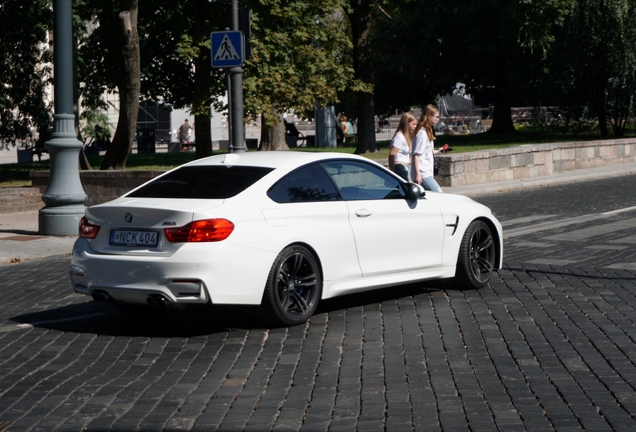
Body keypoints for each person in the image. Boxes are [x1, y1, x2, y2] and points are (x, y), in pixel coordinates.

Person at [411, 104, 448, 192]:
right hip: (423, 173)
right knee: (438, 193)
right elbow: (416, 155)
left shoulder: (428, 131)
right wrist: (417, 174)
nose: (438, 119)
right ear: (429, 117)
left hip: (427, 172)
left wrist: (440, 151)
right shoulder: (422, 133)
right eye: (436, 117)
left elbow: (427, 152)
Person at [388, 113, 417, 181]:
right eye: (413, 124)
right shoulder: (399, 137)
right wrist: (392, 173)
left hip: (406, 167)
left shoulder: (405, 137)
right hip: (400, 168)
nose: (415, 126)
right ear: (406, 124)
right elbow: (392, 155)